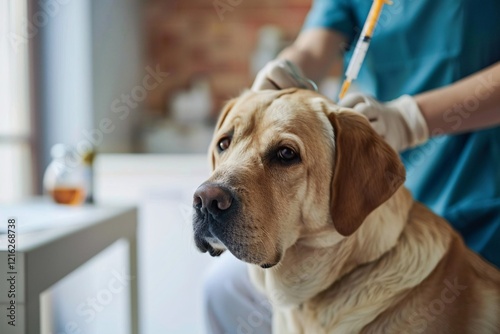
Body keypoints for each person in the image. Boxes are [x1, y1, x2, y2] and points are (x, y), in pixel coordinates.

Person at [203, 0, 500, 332]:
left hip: (480, 200)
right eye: (225, 143)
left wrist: (413, 119)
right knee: (223, 287)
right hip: (378, 198)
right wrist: (288, 70)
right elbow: (315, 47)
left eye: (285, 155)